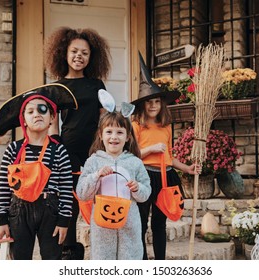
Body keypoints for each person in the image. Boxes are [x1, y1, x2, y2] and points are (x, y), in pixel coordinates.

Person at [43, 26, 111, 259]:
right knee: (69, 200)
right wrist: (55, 147)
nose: (79, 56)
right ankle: (68, 249)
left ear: (91, 57)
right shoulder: (57, 87)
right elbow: (53, 123)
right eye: (74, 51)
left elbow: (104, 117)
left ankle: (104, 245)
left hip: (95, 149)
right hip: (68, 148)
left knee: (101, 196)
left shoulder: (97, 85)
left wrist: (106, 146)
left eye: (84, 52)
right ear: (64, 53)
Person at [0, 84, 77, 260]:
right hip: (19, 212)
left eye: (42, 109)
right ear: (23, 120)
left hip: (50, 211)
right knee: (21, 259)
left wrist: (64, 221)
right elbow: (3, 187)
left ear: (52, 117)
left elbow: (66, 189)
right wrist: (1, 219)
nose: (37, 114)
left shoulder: (59, 150)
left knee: (51, 259)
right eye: (30, 111)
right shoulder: (13, 150)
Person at [131, 53, 199, 260]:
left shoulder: (166, 127)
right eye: (149, 102)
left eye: (156, 102)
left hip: (165, 176)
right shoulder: (136, 126)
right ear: (143, 105)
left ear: (162, 104)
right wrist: (150, 149)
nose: (153, 105)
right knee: (141, 223)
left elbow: (168, 156)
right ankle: (142, 261)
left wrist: (186, 168)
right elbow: (131, 156)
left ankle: (160, 262)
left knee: (159, 223)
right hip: (145, 177)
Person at [76, 110, 151, 260]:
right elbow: (82, 193)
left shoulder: (135, 162)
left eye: (119, 132)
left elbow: (146, 191)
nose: (114, 137)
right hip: (102, 229)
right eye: (109, 131)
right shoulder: (93, 161)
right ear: (100, 135)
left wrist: (137, 188)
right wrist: (96, 175)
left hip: (129, 227)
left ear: (128, 136)